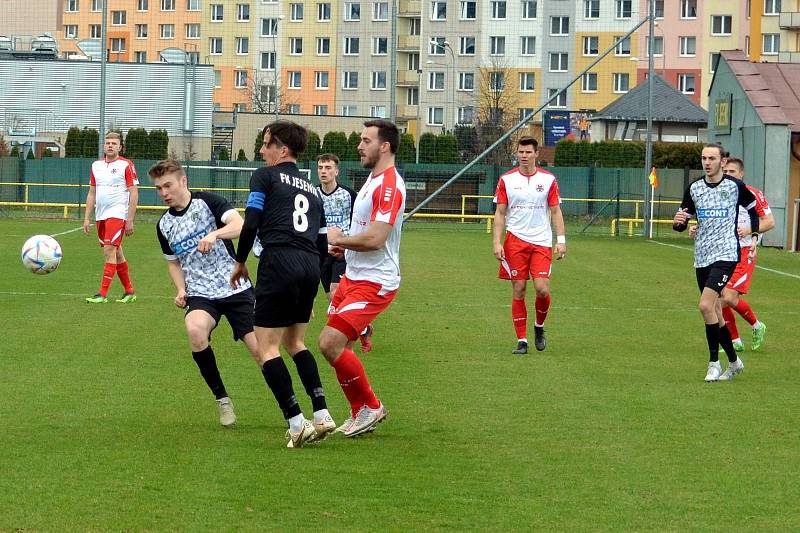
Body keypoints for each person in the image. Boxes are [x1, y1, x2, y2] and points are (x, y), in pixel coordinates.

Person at [231, 121, 335, 449]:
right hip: (308, 266)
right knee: (296, 343)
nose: (262, 151)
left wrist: (240, 260)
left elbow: (252, 221)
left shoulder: (265, 176)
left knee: (267, 347)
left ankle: (295, 422)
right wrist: (313, 286)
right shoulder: (314, 192)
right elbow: (321, 244)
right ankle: (321, 414)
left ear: (282, 149)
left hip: (279, 261)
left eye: (265, 144)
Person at [151, 159, 263, 428]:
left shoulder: (209, 202)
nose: (164, 193)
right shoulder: (164, 225)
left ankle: (290, 409)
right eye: (158, 188)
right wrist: (181, 289)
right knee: (194, 330)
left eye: (168, 185)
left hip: (235, 286)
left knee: (262, 352)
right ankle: (222, 400)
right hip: (201, 293)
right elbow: (173, 262)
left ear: (183, 181)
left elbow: (241, 225)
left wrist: (215, 234)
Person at [318, 119, 406, 438]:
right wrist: (347, 250)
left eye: (366, 140)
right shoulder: (373, 179)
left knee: (329, 342)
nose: (359, 145)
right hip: (355, 274)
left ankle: (370, 405)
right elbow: (365, 234)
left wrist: (340, 239)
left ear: (384, 146)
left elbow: (376, 238)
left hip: (375, 281)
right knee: (337, 347)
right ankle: (361, 412)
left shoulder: (389, 185)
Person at [673, 143, 760, 382]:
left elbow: (753, 210)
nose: (707, 162)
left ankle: (713, 362)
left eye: (712, 158)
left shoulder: (735, 187)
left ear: (722, 162)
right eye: (703, 158)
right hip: (702, 255)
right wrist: (679, 221)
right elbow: (682, 222)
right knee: (715, 312)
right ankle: (734, 362)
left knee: (704, 305)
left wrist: (753, 235)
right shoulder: (694, 188)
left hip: (726, 254)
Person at [493, 136, 566, 355]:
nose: (524, 156)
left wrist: (561, 241)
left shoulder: (548, 179)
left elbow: (555, 211)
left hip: (542, 241)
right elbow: (500, 212)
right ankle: (522, 340)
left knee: (542, 289)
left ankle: (539, 327)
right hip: (515, 241)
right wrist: (497, 242)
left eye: (528, 152)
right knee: (519, 289)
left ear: (536, 154)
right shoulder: (506, 179)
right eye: (520, 152)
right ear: (517, 153)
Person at [315, 153, 375, 353]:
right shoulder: (312, 195)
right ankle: (364, 328)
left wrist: (343, 239)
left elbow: (360, 223)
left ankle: (347, 336)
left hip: (344, 252)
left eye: (328, 167)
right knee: (332, 299)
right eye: (321, 167)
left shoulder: (349, 195)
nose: (324, 171)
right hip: (322, 253)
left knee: (335, 292)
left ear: (336, 171)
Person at [719, 157, 773, 351]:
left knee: (728, 297)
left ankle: (757, 326)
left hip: (744, 252)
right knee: (719, 296)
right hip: (723, 252)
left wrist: (750, 230)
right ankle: (735, 341)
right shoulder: (721, 195)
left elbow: (769, 221)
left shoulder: (753, 194)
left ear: (741, 174)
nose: (728, 175)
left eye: (732, 172)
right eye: (725, 172)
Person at [83, 131, 139, 304]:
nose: (110, 145)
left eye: (114, 143)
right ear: (103, 145)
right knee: (117, 252)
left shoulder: (126, 165)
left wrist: (129, 219)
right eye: (108, 142)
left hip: (118, 214)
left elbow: (133, 192)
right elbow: (92, 192)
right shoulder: (96, 166)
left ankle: (102, 294)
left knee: (109, 250)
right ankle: (129, 291)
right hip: (101, 215)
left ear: (120, 147)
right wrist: (87, 218)